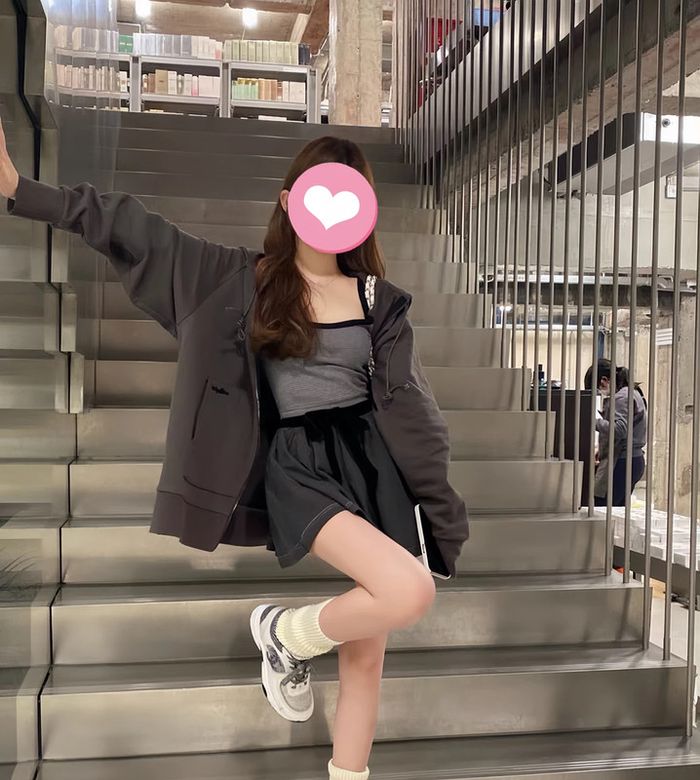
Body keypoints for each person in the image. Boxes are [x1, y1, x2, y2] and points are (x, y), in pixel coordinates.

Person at [0, 122, 468, 780]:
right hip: (301, 465)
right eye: (318, 191)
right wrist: (19, 190)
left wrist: (440, 512)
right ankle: (284, 634)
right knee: (408, 591)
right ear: (287, 200)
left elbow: (415, 414)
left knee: (366, 658)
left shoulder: (378, 302)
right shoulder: (234, 279)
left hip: (374, 467)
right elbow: (133, 227)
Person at [584, 358, 647, 507]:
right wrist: (604, 448)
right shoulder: (632, 392)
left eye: (599, 389)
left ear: (604, 380)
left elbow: (619, 429)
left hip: (622, 462)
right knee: (617, 511)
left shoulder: (621, 398)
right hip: (633, 460)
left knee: (601, 508)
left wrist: (591, 421)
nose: (601, 393)